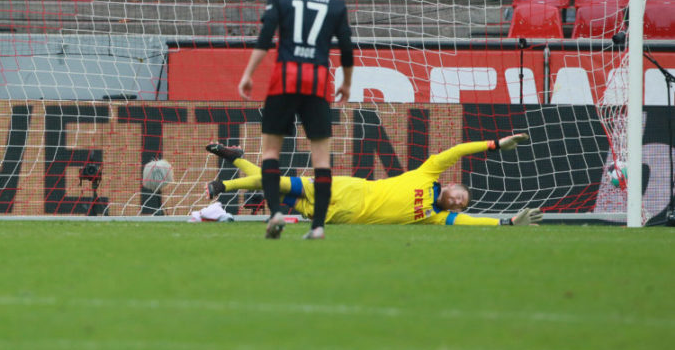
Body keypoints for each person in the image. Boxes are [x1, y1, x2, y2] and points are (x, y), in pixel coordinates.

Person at [238, 0, 354, 240]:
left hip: (284, 80)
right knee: (321, 159)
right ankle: (317, 227)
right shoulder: (336, 3)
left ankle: (276, 211)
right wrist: (346, 82)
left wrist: (248, 74)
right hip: (316, 83)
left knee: (271, 151)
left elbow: (265, 39)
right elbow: (347, 48)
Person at [205, 134, 543, 227]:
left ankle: (235, 157)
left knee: (271, 189)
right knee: (276, 181)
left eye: (460, 204)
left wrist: (506, 223)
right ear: (452, 185)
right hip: (347, 189)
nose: (457, 201)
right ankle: (225, 187)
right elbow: (456, 151)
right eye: (459, 195)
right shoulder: (427, 175)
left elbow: (469, 222)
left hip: (337, 217)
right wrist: (494, 145)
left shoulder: (436, 217)